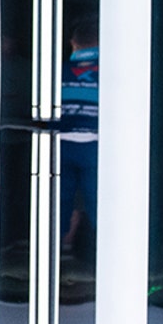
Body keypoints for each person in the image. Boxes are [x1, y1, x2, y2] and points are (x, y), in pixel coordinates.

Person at [58, 14, 98, 260]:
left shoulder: (58, 73)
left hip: (60, 145)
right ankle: (101, 249)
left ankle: (58, 247)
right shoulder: (111, 73)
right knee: (98, 200)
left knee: (59, 200)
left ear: (73, 43)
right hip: (95, 147)